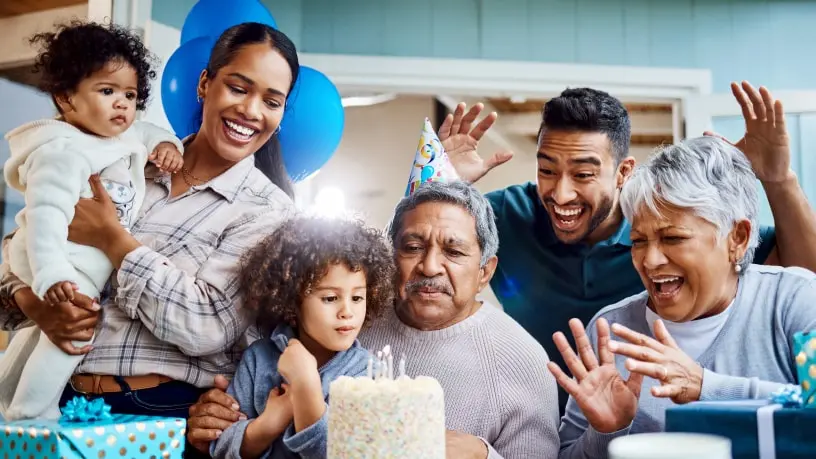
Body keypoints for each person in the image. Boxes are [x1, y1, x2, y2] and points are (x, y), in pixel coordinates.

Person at [0, 20, 296, 447]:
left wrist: (113, 240)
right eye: (238, 87)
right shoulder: (127, 156)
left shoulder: (268, 212)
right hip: (56, 404)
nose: (251, 111)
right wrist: (36, 302)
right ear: (204, 84)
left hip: (160, 413)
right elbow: (25, 246)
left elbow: (206, 325)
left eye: (272, 101)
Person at [437, 84, 816, 411]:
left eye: (583, 174)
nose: (561, 192)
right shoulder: (508, 214)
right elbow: (416, 257)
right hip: (537, 422)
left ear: (623, 172)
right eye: (547, 171)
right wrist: (438, 182)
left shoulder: (664, 220)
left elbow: (803, 273)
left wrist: (779, 180)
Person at [187, 181, 561, 459]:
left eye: (454, 251)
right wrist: (218, 419)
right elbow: (229, 423)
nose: (429, 265)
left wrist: (481, 454)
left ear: (485, 271)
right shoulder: (352, 324)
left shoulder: (522, 359)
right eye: (412, 247)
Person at [548, 135, 816, 459]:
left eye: (673, 237)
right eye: (638, 241)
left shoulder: (796, 300)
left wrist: (705, 386)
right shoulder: (610, 331)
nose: (650, 260)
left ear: (738, 238)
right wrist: (607, 431)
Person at [0, 20, 184, 421]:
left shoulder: (117, 134)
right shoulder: (62, 153)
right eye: (107, 91)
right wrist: (51, 275)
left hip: (77, 257)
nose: (122, 104)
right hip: (61, 260)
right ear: (66, 99)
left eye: (130, 95)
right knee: (72, 338)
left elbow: (144, 131)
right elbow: (45, 216)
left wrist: (167, 145)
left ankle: (7, 401)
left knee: (33, 337)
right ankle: (33, 414)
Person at [210, 216, 394, 459]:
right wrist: (268, 424)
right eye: (330, 298)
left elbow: (346, 454)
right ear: (291, 301)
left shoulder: (370, 374)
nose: (347, 311)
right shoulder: (258, 358)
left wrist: (306, 387)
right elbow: (221, 447)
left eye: (357, 298)